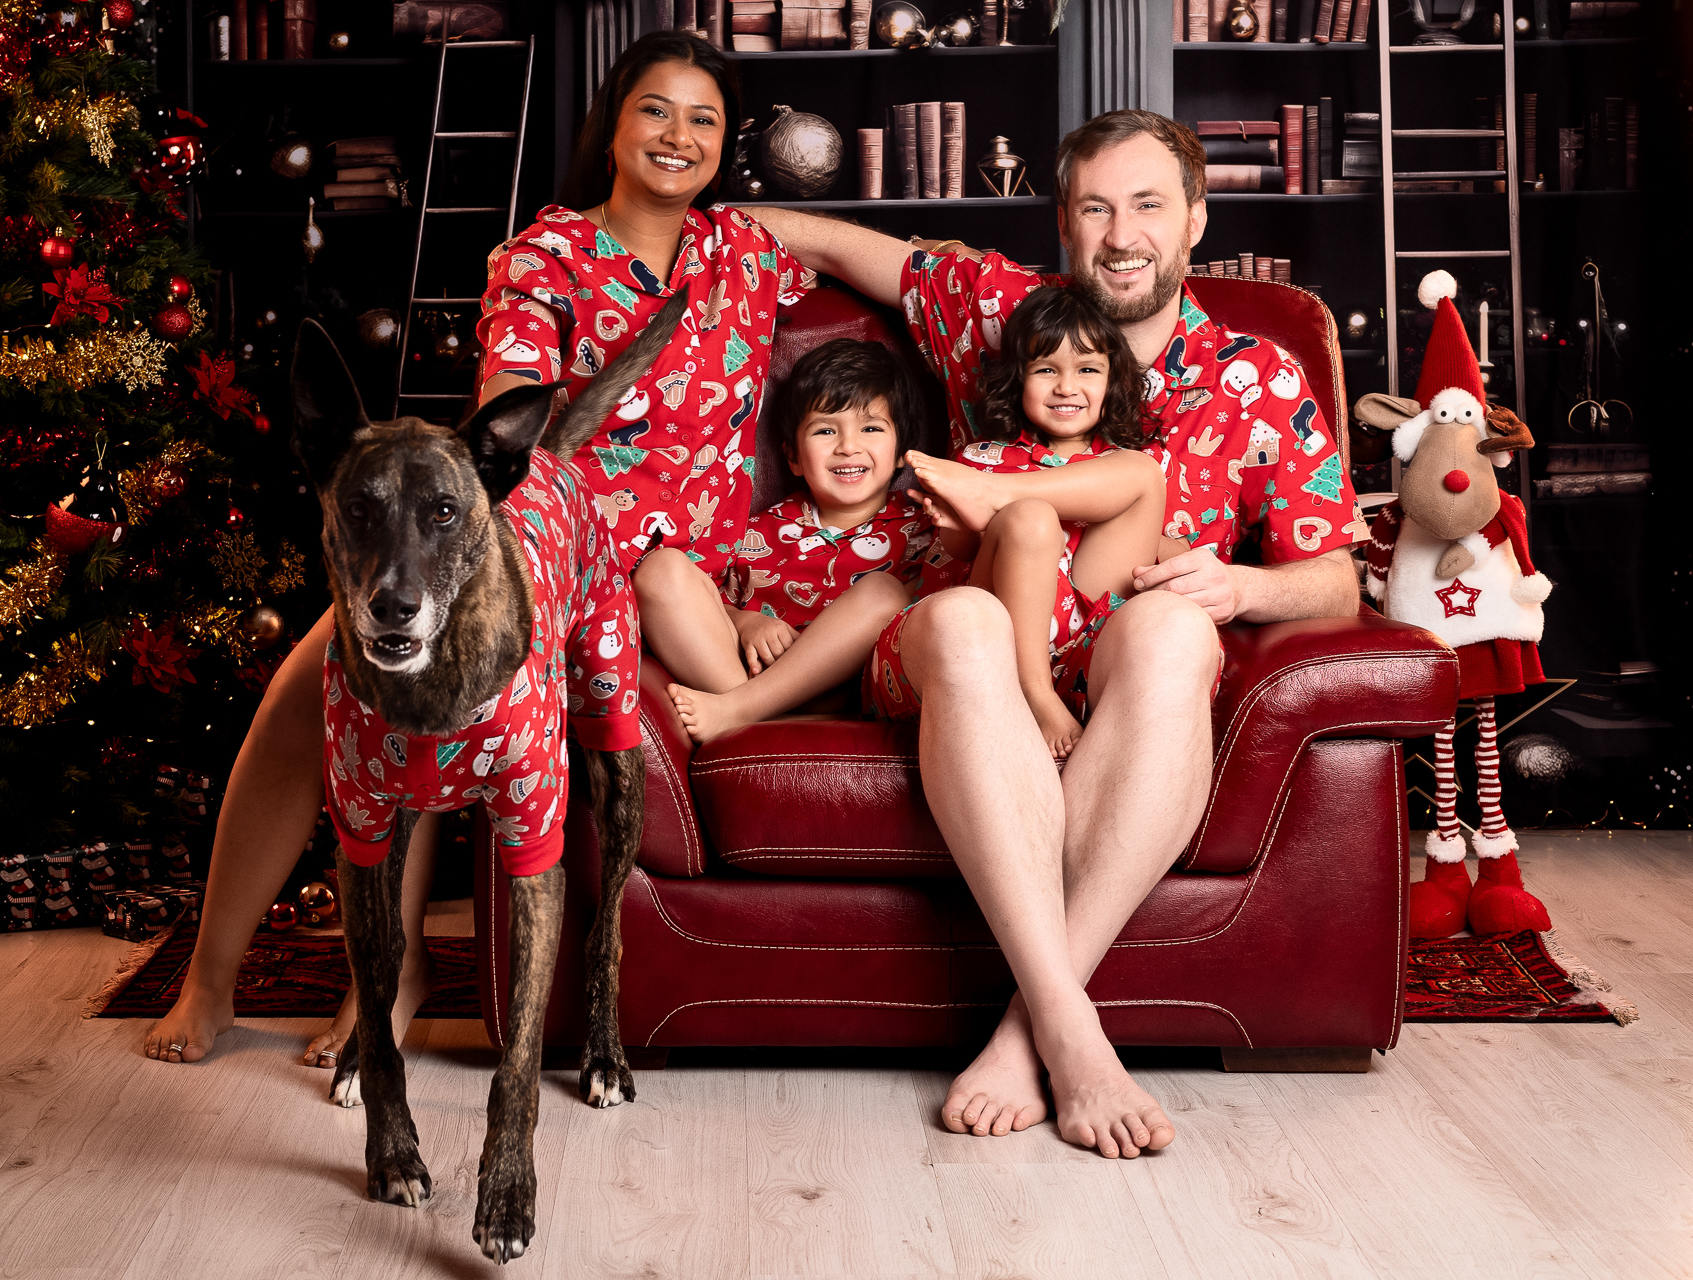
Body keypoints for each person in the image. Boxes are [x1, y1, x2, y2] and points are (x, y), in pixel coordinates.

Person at [142, 29, 811, 1068]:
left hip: (681, 576)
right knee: (328, 674)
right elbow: (510, 395)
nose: (677, 135)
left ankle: (387, 972)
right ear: (611, 128)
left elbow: (904, 266)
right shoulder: (548, 253)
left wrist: (776, 216)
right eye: (654, 110)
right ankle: (236, 979)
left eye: (704, 119)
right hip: (555, 529)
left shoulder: (745, 254)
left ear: (728, 145)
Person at [743, 108, 1362, 1158]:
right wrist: (657, 219)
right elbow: (820, 239)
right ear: (1066, 226)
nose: (1123, 234)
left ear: (1198, 220)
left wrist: (1244, 585)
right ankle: (1076, 1034)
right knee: (975, 616)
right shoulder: (998, 308)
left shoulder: (1259, 378)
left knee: (1170, 630)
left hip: (1118, 656)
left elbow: (1339, 581)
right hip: (962, 635)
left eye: (1149, 206)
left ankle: (1036, 1028)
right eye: (1096, 208)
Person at [899, 283, 1166, 758]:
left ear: (1112, 380)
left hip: (1083, 641)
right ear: (1017, 379)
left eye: (1087, 369)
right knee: (1030, 519)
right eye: (1046, 370)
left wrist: (1166, 551)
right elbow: (957, 559)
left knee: (1141, 472)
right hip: (992, 643)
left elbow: (1156, 552)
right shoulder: (982, 458)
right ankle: (1033, 690)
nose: (1066, 387)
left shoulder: (1122, 467)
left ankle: (1001, 501)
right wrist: (960, 523)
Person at [661, 338, 931, 743]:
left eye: (871, 428)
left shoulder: (922, 528)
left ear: (900, 453)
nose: (848, 446)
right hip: (738, 675)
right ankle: (757, 715)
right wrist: (745, 621)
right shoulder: (755, 530)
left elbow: (928, 612)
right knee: (660, 569)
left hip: (860, 695)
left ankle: (743, 712)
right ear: (793, 457)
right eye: (825, 430)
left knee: (884, 594)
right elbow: (708, 601)